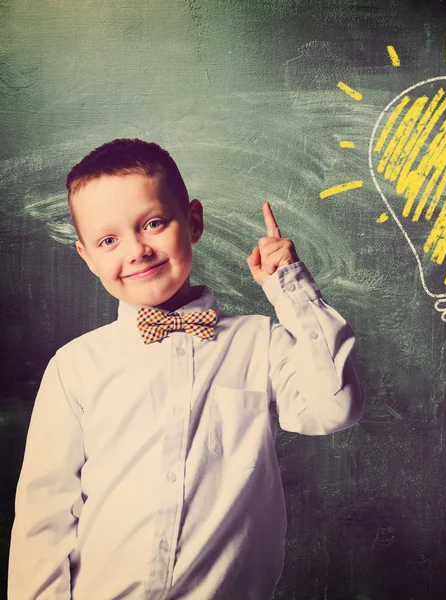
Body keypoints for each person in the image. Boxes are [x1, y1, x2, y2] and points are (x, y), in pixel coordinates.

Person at [8, 138, 363, 599]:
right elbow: (45, 518)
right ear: (87, 256)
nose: (136, 250)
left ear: (192, 221)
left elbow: (333, 409)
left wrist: (291, 288)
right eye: (108, 240)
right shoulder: (75, 366)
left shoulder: (260, 342)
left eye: (153, 223)